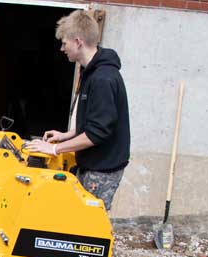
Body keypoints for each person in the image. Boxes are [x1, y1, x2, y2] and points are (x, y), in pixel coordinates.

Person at [26, 10, 130, 211]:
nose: (62, 48)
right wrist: (66, 135)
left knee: (87, 224)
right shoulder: (90, 71)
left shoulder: (103, 79)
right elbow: (95, 121)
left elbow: (97, 132)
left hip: (102, 169)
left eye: (64, 43)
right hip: (91, 163)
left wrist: (55, 148)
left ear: (78, 42)